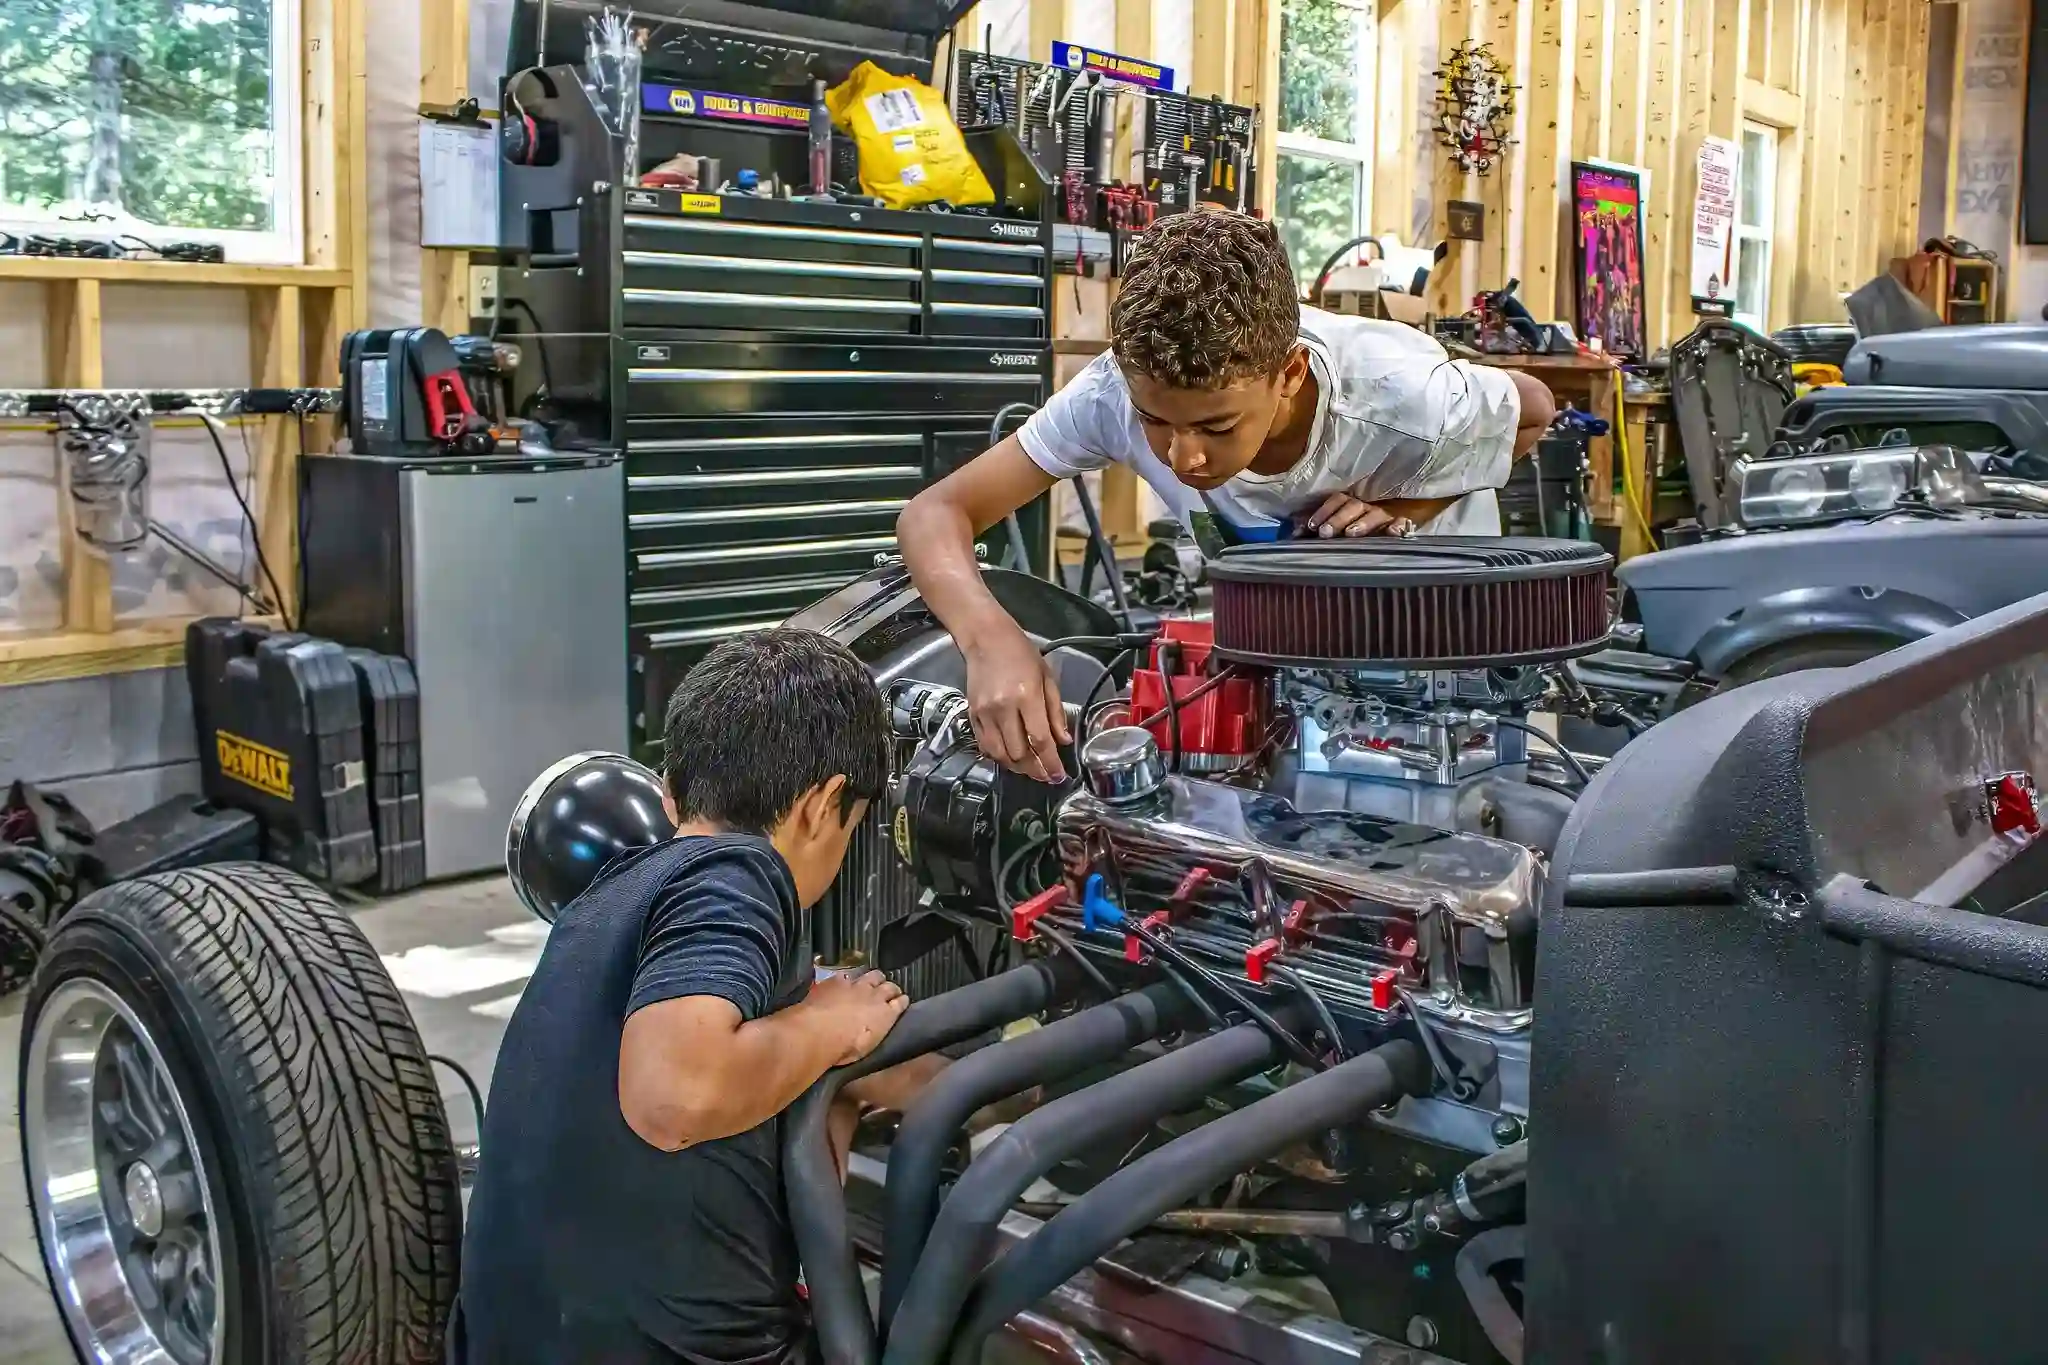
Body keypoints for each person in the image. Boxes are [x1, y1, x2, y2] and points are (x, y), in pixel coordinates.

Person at [896, 209, 1558, 783]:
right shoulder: (1114, 391)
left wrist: (1407, 506)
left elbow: (1535, 407)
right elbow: (935, 512)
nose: (1184, 458)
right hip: (1294, 646)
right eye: (1156, 421)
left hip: (1439, 655)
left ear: (1289, 375)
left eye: (1217, 426)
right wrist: (990, 641)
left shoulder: (1399, 397)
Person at [454, 628, 930, 1365]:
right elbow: (675, 1095)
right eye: (854, 827)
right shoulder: (738, 872)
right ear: (822, 805)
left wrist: (829, 1041)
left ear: (670, 791)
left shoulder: (607, 896)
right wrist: (836, 1026)